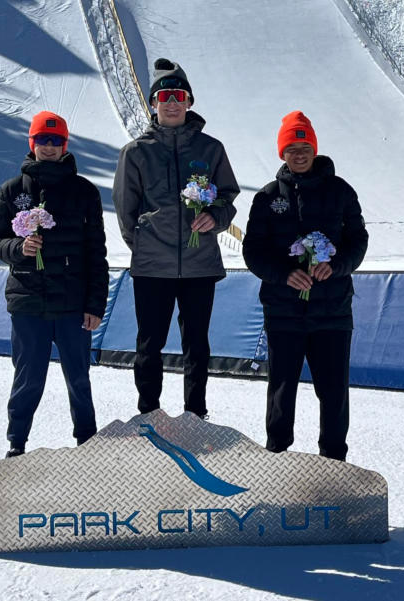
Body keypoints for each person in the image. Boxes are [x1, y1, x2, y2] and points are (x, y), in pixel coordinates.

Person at [112, 58, 239, 419]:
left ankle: (195, 414)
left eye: (178, 96)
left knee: (197, 344)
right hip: (152, 265)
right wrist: (145, 243)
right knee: (149, 344)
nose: (171, 103)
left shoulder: (210, 149)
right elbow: (125, 208)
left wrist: (215, 217)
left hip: (199, 265)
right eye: (164, 97)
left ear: (189, 102)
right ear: (154, 104)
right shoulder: (136, 152)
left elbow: (227, 196)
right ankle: (148, 412)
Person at [243, 110, 368, 461]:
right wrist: (284, 275)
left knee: (334, 392)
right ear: (282, 153)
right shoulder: (267, 197)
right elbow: (253, 252)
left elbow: (358, 241)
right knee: (281, 393)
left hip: (333, 312)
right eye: (292, 148)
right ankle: (278, 457)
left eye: (305, 148)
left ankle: (334, 462)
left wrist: (336, 266)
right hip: (284, 311)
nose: (299, 155)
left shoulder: (341, 192)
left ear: (315, 150)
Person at [0, 111, 109, 458]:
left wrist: (95, 304)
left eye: (56, 141)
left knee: (79, 378)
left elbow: (96, 252)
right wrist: (18, 248)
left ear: (65, 145)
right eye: (43, 139)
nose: (50, 146)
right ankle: (17, 443)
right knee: (28, 378)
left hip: (73, 304)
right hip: (29, 302)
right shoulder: (13, 190)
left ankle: (86, 441)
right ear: (32, 143)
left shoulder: (85, 191)